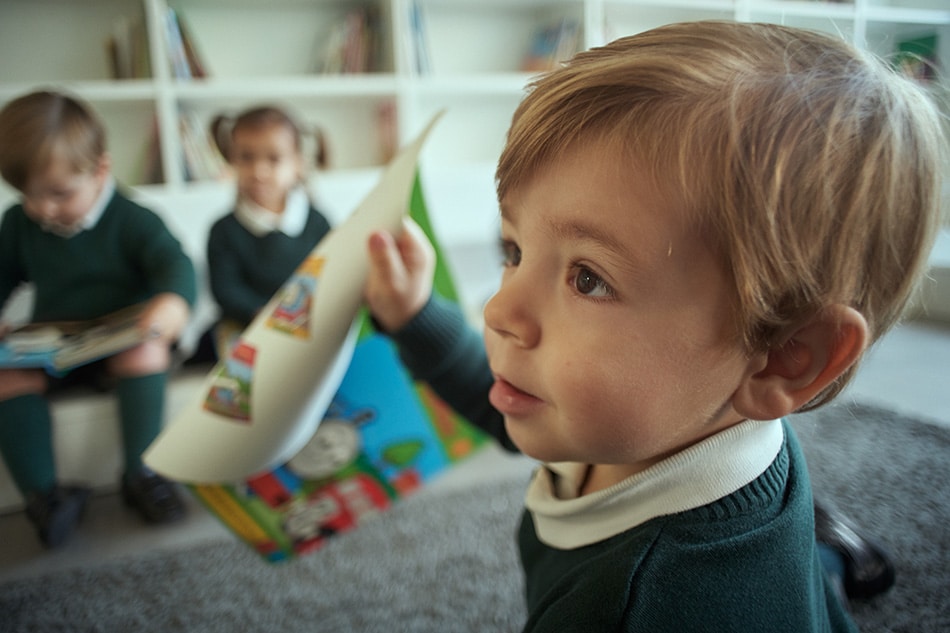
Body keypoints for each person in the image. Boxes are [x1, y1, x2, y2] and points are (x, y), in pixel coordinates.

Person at [362, 22, 945, 632]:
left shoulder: (638, 608)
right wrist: (415, 315)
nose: (499, 311)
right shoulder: (682, 416)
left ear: (784, 356)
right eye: (513, 249)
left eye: (588, 278)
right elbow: (505, 407)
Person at [0, 91, 197, 547]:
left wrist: (171, 302)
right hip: (56, 347)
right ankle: (44, 496)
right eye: (28, 195)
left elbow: (174, 263)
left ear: (100, 170)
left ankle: (141, 473)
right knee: (5, 377)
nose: (42, 209)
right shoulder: (19, 225)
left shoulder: (132, 219)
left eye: (58, 194)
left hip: (123, 340)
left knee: (146, 348)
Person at [205, 105, 332, 357]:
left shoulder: (317, 223)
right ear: (232, 160)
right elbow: (226, 290)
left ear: (297, 164)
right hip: (246, 324)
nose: (258, 171)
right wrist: (263, 315)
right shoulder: (223, 230)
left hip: (309, 326)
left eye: (273, 159)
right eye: (246, 157)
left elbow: (332, 277)